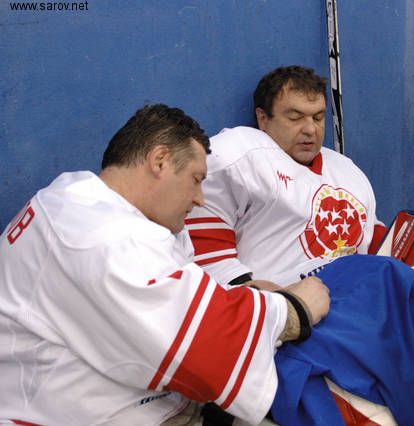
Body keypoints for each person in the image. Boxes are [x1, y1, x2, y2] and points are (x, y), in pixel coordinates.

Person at [0, 104, 330, 425]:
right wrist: (295, 307)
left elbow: (166, 296)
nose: (200, 198)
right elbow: (206, 347)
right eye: (196, 179)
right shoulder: (104, 236)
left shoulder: (74, 198)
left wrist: (238, 294)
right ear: (159, 161)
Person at [185, 65, 387, 288]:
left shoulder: (346, 170)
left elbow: (375, 241)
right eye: (295, 117)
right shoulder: (238, 157)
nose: (310, 129)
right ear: (263, 118)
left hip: (360, 295)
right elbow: (208, 259)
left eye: (318, 118)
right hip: (278, 303)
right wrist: (283, 304)